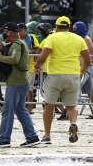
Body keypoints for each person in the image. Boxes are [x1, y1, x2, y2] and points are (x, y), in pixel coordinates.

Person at [35, 16, 91, 144]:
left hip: (55, 75)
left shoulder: (52, 37)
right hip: (73, 74)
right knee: (71, 106)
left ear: (57, 27)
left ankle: (47, 135)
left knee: (49, 105)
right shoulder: (78, 39)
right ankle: (73, 123)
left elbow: (42, 56)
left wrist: (37, 66)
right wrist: (81, 71)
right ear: (69, 27)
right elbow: (87, 60)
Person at [0, 22, 40, 148]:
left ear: (9, 32)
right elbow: (13, 55)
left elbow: (14, 59)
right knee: (20, 110)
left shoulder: (17, 44)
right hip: (20, 81)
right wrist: (3, 48)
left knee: (8, 110)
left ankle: (4, 139)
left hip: (16, 82)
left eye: (5, 31)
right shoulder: (17, 43)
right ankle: (32, 137)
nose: (3, 33)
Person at [71, 21, 93, 119]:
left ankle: (69, 111)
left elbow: (90, 55)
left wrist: (82, 69)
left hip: (85, 68)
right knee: (90, 91)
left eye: (75, 28)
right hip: (82, 67)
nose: (74, 30)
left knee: (74, 87)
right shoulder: (78, 38)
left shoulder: (86, 39)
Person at [18, 23, 39, 114]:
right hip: (18, 67)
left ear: (25, 30)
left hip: (30, 67)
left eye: (20, 30)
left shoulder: (32, 38)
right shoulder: (16, 39)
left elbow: (38, 51)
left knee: (29, 88)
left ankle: (30, 106)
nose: (18, 32)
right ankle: (20, 106)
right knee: (18, 87)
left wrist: (29, 51)